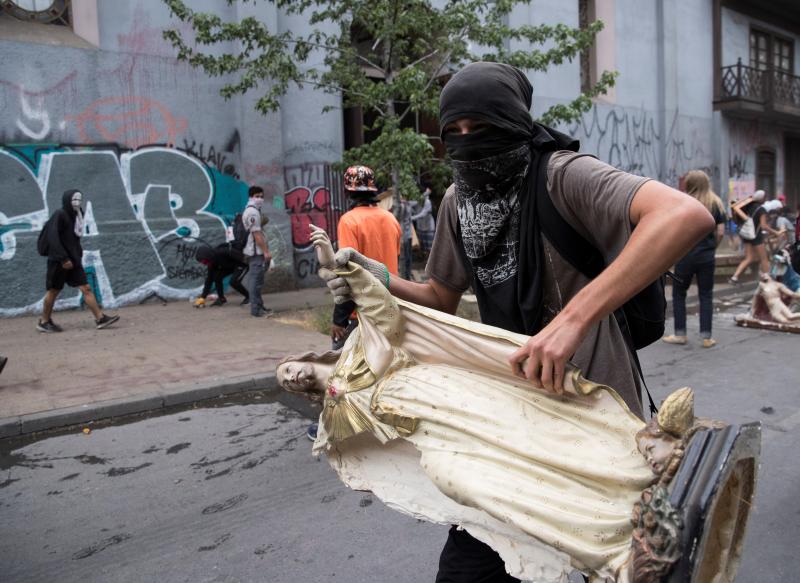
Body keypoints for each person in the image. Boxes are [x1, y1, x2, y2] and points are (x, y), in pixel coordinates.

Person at [317, 62, 713, 582]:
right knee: (469, 569)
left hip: (590, 412)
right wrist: (378, 280)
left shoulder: (564, 176)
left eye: (481, 127)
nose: (468, 142)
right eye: (454, 131)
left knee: (597, 560)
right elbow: (439, 297)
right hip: (507, 412)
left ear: (515, 123)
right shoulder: (458, 201)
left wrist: (573, 318)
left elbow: (684, 215)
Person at [279, 228, 742, 583]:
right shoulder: (335, 416)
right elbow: (364, 452)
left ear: (309, 359)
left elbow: (386, 314)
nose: (293, 377)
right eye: (288, 383)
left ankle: (642, 468)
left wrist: (357, 275)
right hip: (431, 436)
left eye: (290, 368)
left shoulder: (362, 351)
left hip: (449, 392)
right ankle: (611, 548)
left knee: (541, 441)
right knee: (468, 483)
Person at [308, 165, 401, 442]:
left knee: (338, 369)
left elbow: (347, 271)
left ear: (348, 191)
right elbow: (388, 265)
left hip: (360, 310)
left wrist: (339, 318)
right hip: (390, 305)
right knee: (381, 369)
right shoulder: (390, 219)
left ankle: (330, 426)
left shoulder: (349, 220)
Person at [37, 190, 119, 332]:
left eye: (79, 200)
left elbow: (73, 239)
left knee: (86, 288)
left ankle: (100, 318)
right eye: (74, 199)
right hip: (59, 261)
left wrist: (76, 255)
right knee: (53, 291)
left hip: (73, 261)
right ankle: (44, 322)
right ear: (67, 200)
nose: (77, 202)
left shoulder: (77, 216)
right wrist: (63, 258)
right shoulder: (60, 214)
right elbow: (53, 238)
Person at [662, 171, 725, 348]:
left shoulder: (683, 202)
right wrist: (712, 247)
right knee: (706, 295)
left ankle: (680, 334)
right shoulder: (716, 203)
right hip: (707, 257)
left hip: (685, 256)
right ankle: (706, 337)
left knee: (679, 294)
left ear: (689, 184)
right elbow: (720, 232)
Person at [729, 190, 778, 284]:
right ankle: (767, 278)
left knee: (749, 258)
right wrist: (775, 232)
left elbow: (738, 219)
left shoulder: (747, 207)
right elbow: (763, 226)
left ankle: (734, 277)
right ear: (762, 198)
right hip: (756, 236)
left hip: (747, 235)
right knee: (764, 258)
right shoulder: (761, 209)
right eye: (765, 197)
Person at [242, 186, 272, 317]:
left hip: (256, 251)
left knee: (258, 281)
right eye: (257, 196)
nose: (260, 199)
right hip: (256, 252)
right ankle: (256, 309)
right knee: (255, 282)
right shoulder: (252, 212)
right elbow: (257, 235)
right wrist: (266, 252)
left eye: (261, 196)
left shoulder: (254, 210)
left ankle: (259, 306)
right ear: (251, 197)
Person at [411, 185, 435, 253]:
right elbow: (409, 204)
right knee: (422, 248)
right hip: (420, 227)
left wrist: (411, 218)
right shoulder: (417, 201)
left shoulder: (427, 202)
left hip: (428, 227)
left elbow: (423, 214)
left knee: (430, 249)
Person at [398, 195, 415, 280]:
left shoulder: (407, 204)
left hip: (407, 234)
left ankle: (407, 274)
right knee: (404, 256)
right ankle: (405, 275)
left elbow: (416, 202)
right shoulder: (401, 206)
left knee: (408, 256)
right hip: (404, 234)